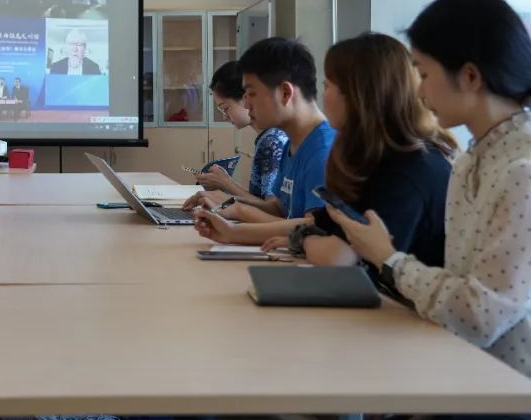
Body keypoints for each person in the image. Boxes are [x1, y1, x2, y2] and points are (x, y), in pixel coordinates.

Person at [319, 0, 531, 420]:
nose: (418, 89)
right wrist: (439, 389)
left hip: (511, 408)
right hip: (468, 390)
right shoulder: (471, 161)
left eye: (424, 73)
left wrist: (389, 259)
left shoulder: (522, 171)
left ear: (470, 76)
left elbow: (479, 314)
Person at [278, 34, 454, 274]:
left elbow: (338, 257)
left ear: (357, 95)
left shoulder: (408, 169)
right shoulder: (371, 157)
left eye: (328, 86)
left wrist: (304, 241)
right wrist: (309, 239)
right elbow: (326, 227)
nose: (323, 96)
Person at [187, 37, 335, 246]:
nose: (246, 104)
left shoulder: (324, 152)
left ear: (285, 92)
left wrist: (237, 222)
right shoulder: (293, 144)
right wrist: (229, 202)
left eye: (251, 94)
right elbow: (279, 210)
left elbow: (316, 227)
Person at [196, 60, 288, 200]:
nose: (224, 116)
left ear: (246, 97)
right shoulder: (266, 137)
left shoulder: (272, 140)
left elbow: (271, 208)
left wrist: (226, 184)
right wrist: (225, 185)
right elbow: (259, 198)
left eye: (225, 108)